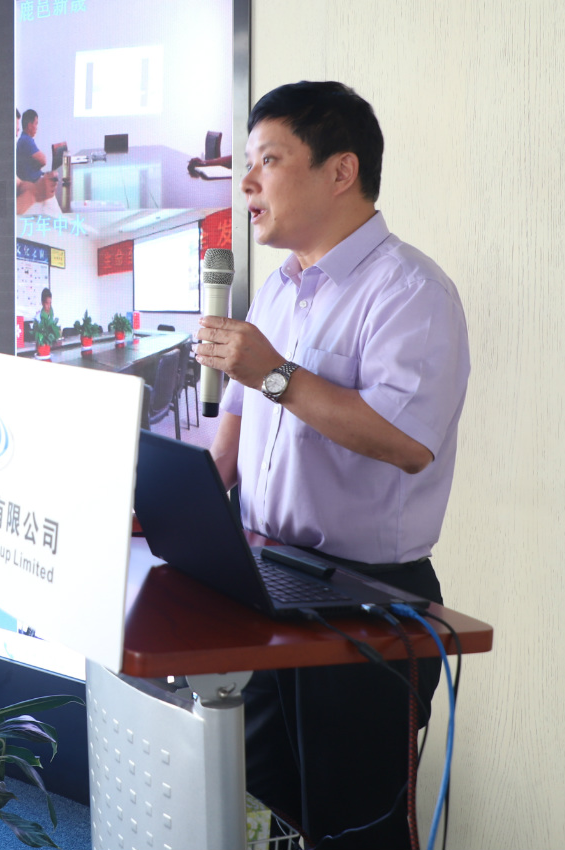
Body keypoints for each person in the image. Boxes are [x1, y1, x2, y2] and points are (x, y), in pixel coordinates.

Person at [195, 82, 470, 848]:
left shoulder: (411, 292)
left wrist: (277, 374)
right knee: (262, 809)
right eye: (246, 165)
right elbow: (232, 445)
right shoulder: (275, 293)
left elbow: (407, 441)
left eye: (268, 161)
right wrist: (165, 507)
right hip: (267, 584)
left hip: (366, 606)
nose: (247, 184)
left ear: (340, 171)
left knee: (353, 831)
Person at [15, 109, 46, 183]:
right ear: (29, 126)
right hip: (34, 182)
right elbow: (43, 161)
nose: (37, 127)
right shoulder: (26, 140)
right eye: (36, 124)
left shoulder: (25, 139)